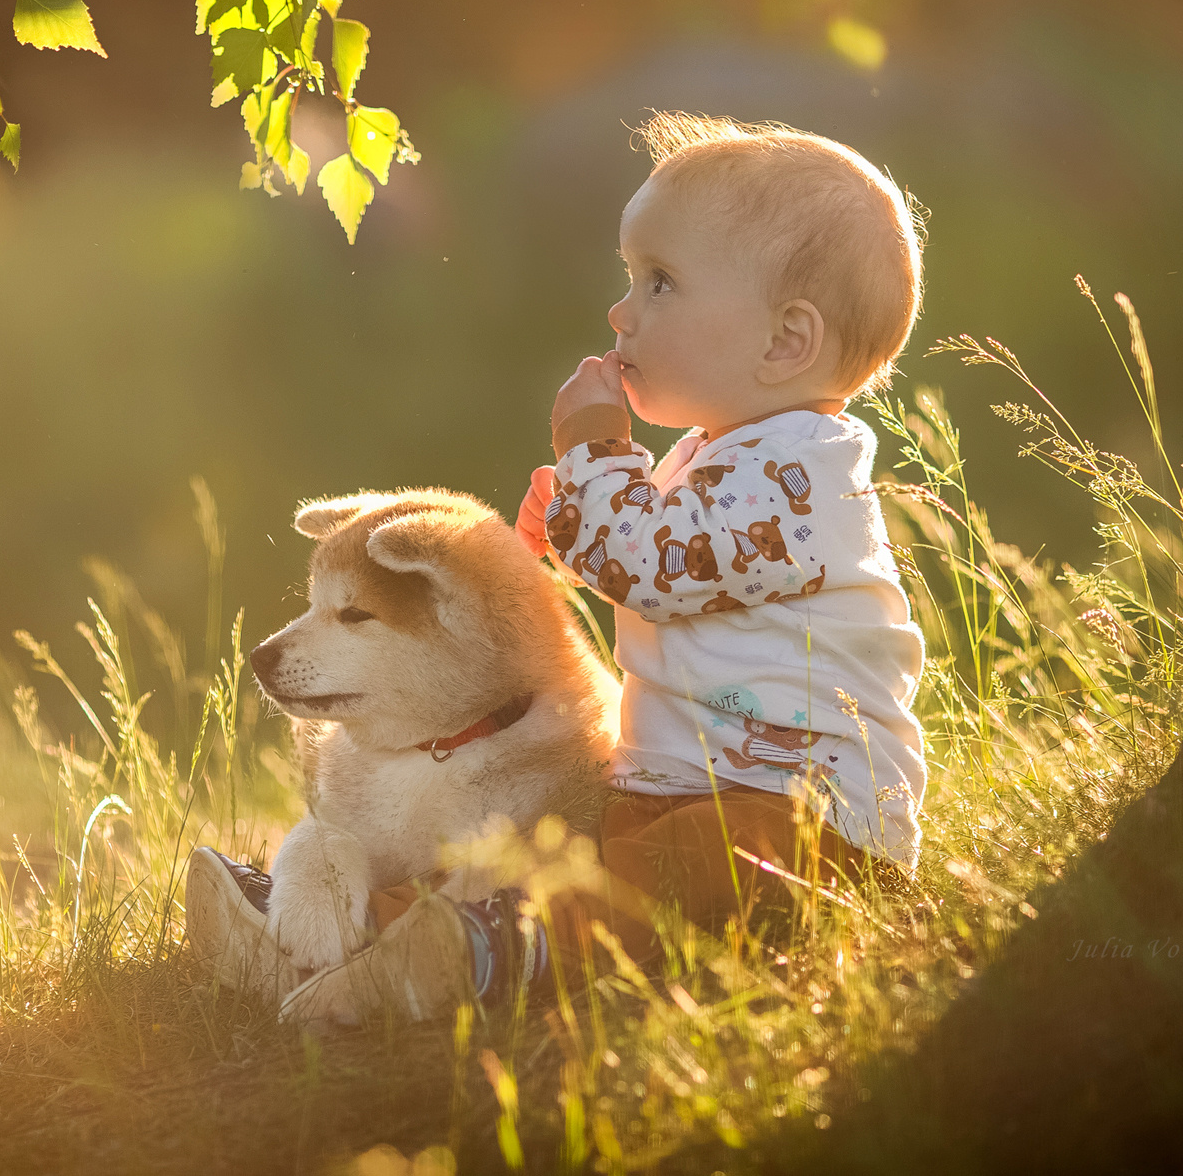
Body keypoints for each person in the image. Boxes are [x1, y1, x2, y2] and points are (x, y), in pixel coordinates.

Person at [207, 113, 929, 1025]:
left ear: (786, 341)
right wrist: (577, 530)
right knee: (550, 860)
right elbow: (681, 591)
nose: (623, 313)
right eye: (631, 278)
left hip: (800, 823)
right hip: (665, 800)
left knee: (646, 879)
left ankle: (472, 954)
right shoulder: (724, 459)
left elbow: (659, 572)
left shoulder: (800, 476)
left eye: (661, 283)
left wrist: (594, 453)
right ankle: (347, 936)